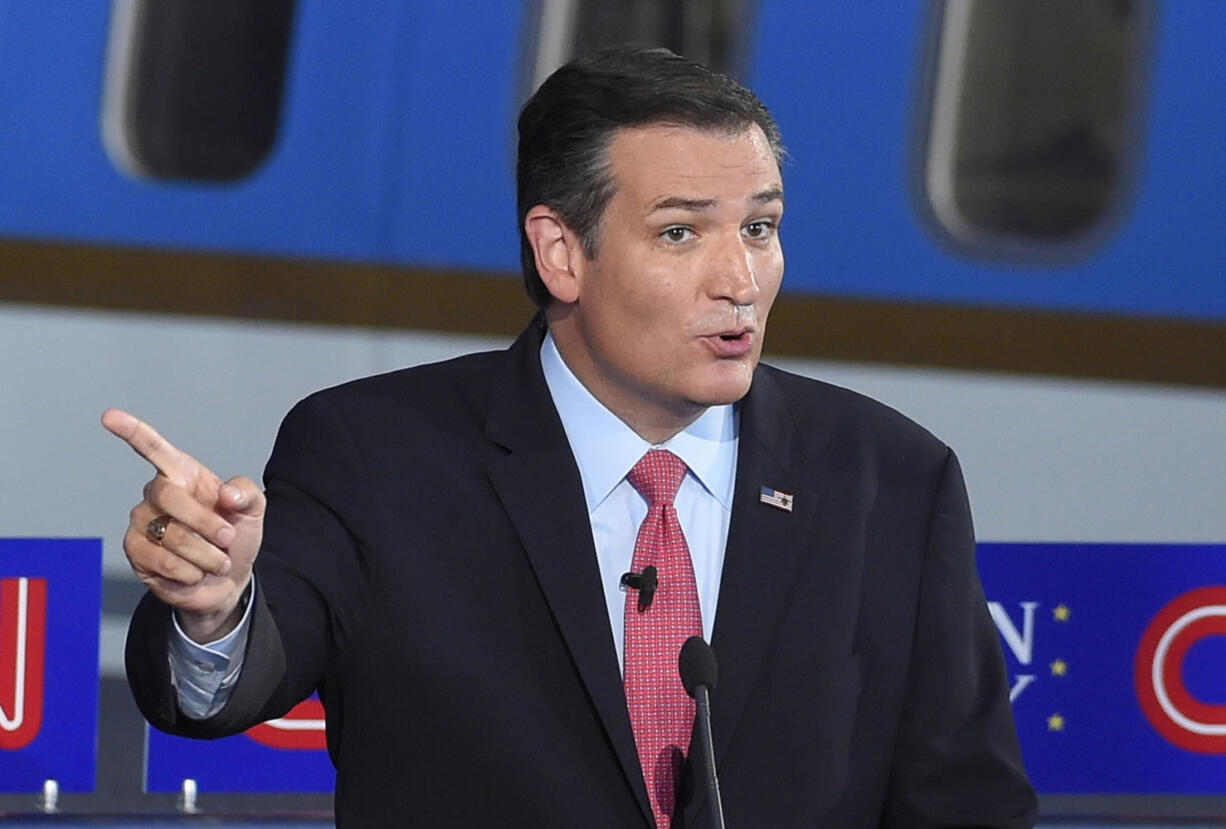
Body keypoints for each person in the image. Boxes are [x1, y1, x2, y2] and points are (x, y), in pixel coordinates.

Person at [106, 44, 1037, 827]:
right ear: (562, 252)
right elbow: (232, 684)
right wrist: (216, 605)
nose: (740, 279)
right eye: (681, 233)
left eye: (761, 227)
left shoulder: (888, 480)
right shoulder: (376, 454)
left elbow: (967, 804)